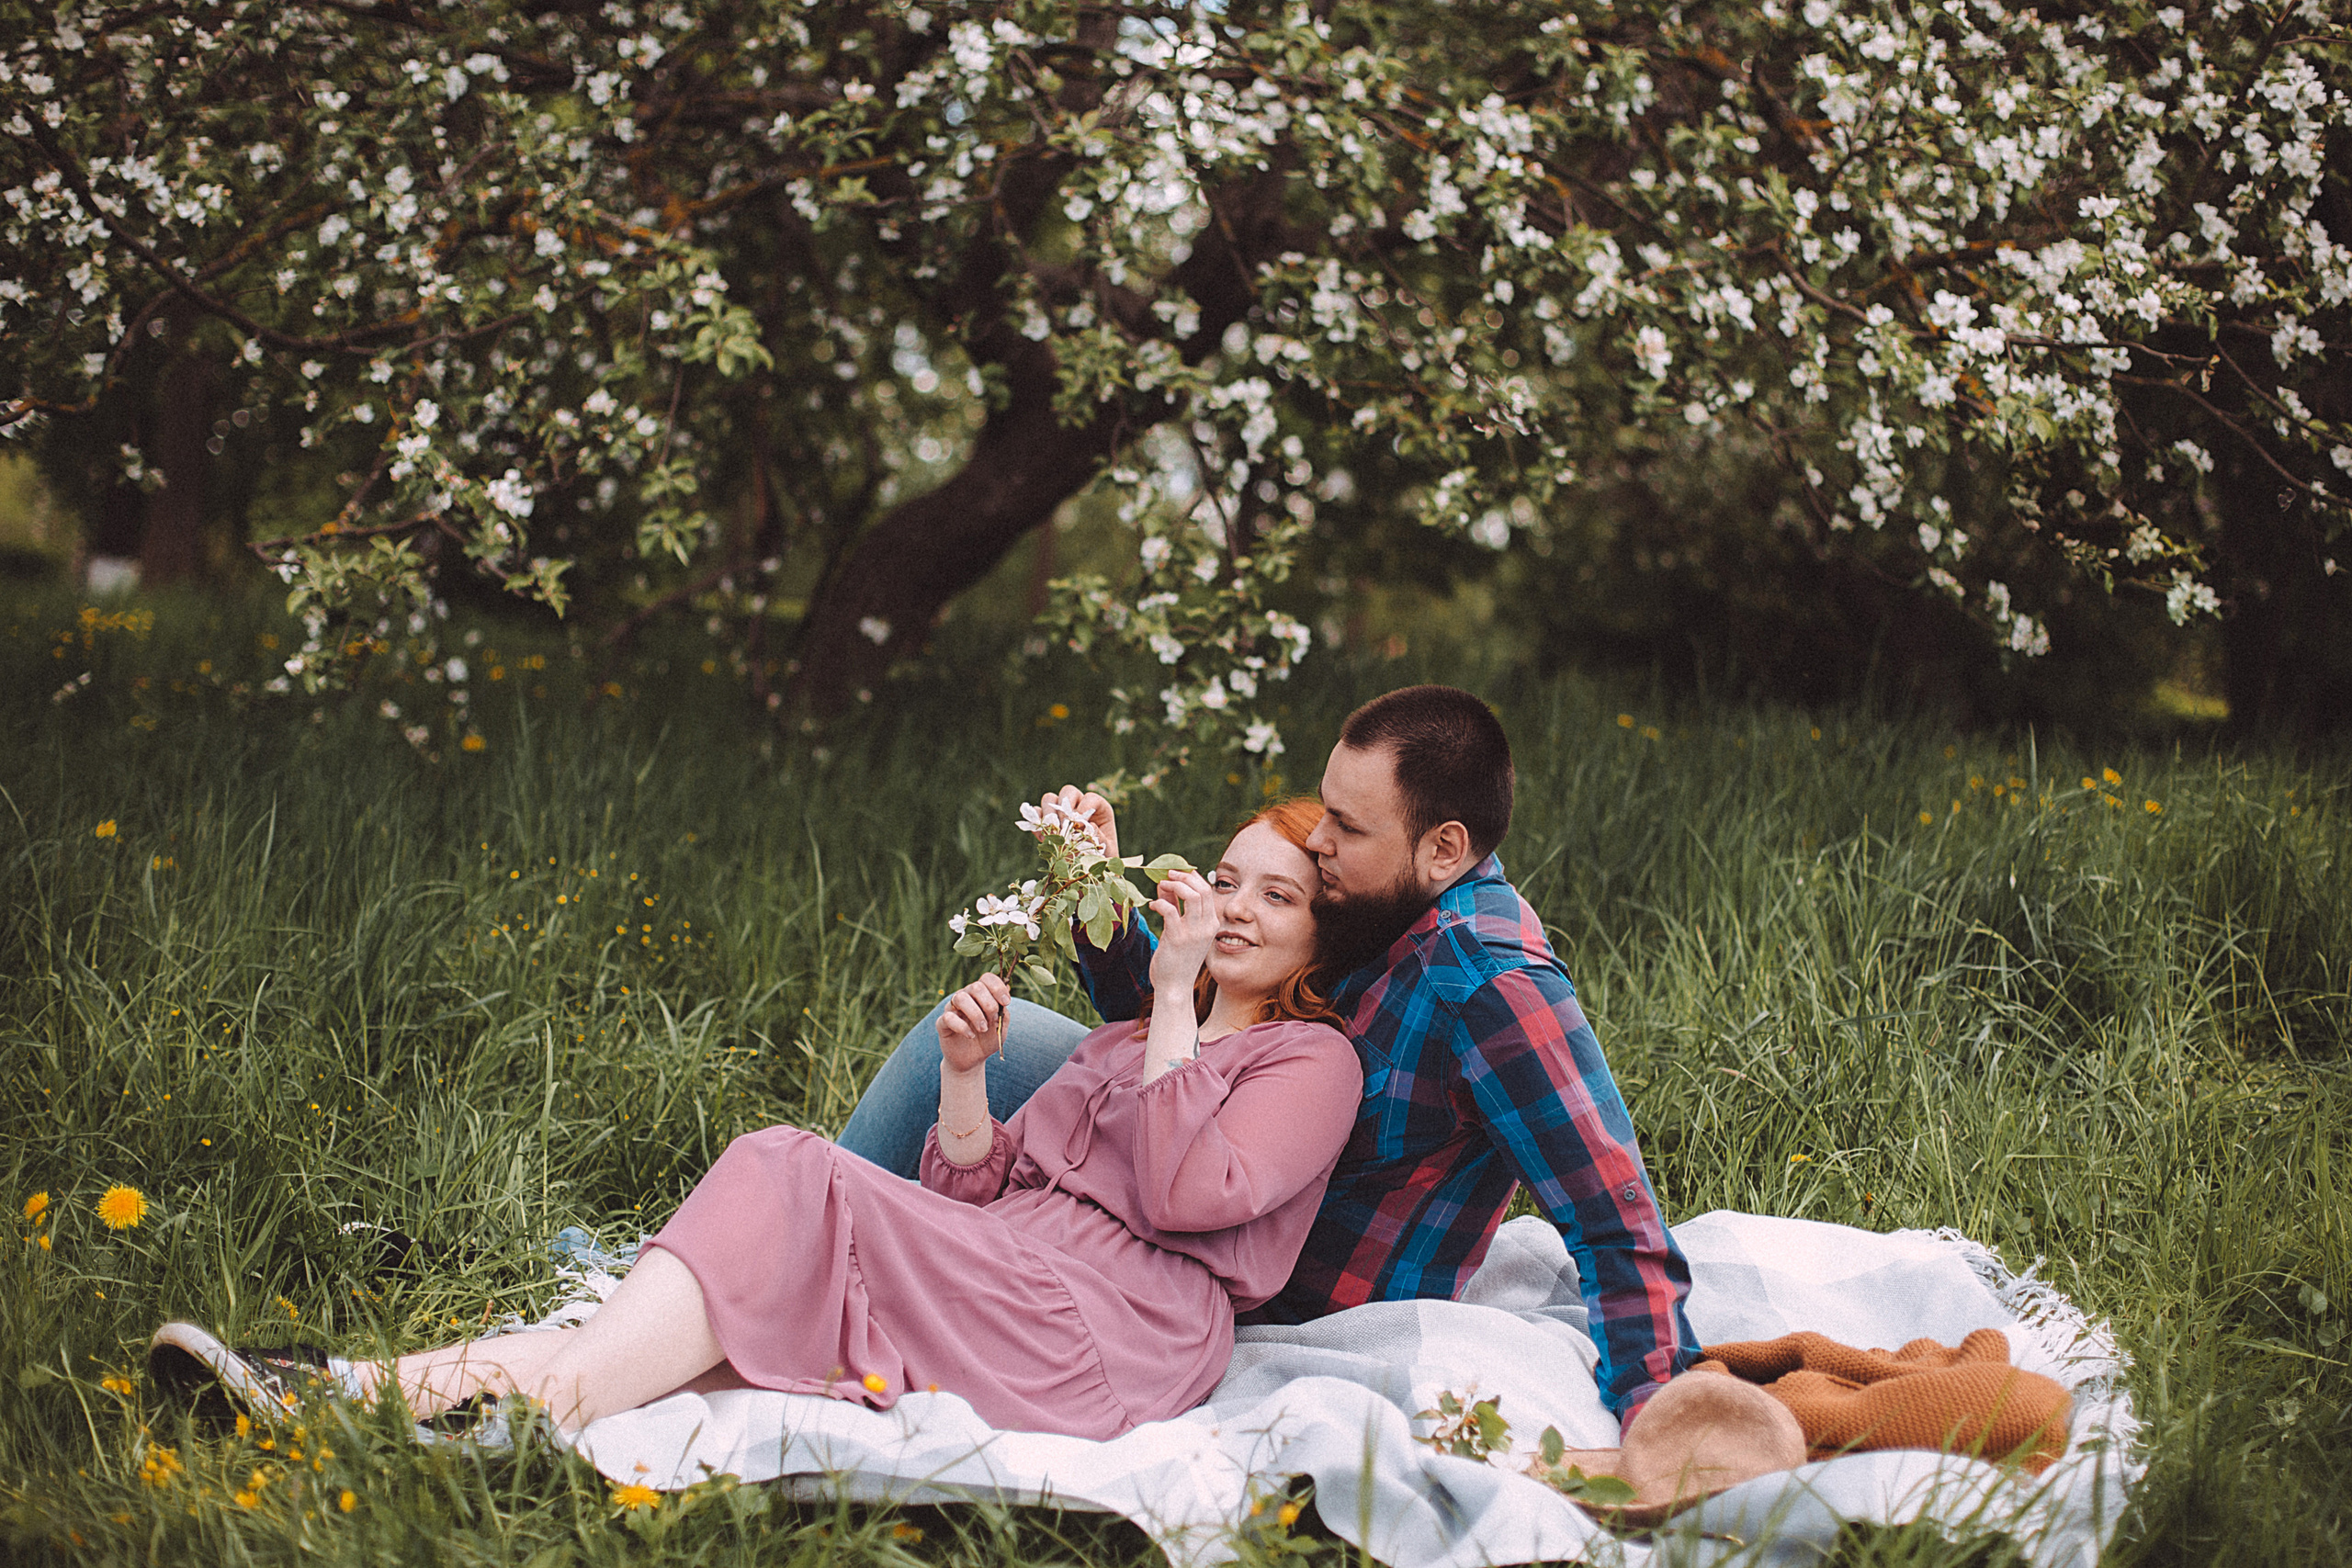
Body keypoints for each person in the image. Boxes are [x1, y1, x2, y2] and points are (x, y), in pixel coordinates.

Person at [151, 801, 1361, 1442]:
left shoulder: (1312, 1058)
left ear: (1323, 928)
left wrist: (1166, 991)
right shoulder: (1110, 1045)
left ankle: (514, 1419)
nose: (1239, 904)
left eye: (1279, 891)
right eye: (1226, 877)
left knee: (789, 1166)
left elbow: (1182, 1193)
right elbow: (966, 1202)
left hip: (1115, 1331)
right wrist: (960, 1077)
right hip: (1009, 1274)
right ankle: (342, 1391)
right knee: (717, 1321)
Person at [839, 686, 1701, 1428]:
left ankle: (839, 1263)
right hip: (1197, 1142)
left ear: (1444, 847)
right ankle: (836, 1248)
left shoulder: (1491, 982)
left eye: (1347, 826)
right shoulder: (1383, 889)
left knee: (1007, 1059)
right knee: (976, 1046)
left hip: (1255, 1255)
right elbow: (1203, 1027)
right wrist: (1091, 882)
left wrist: (1661, 1404)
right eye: (1326, 808)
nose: (1321, 839)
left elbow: (1608, 1208)